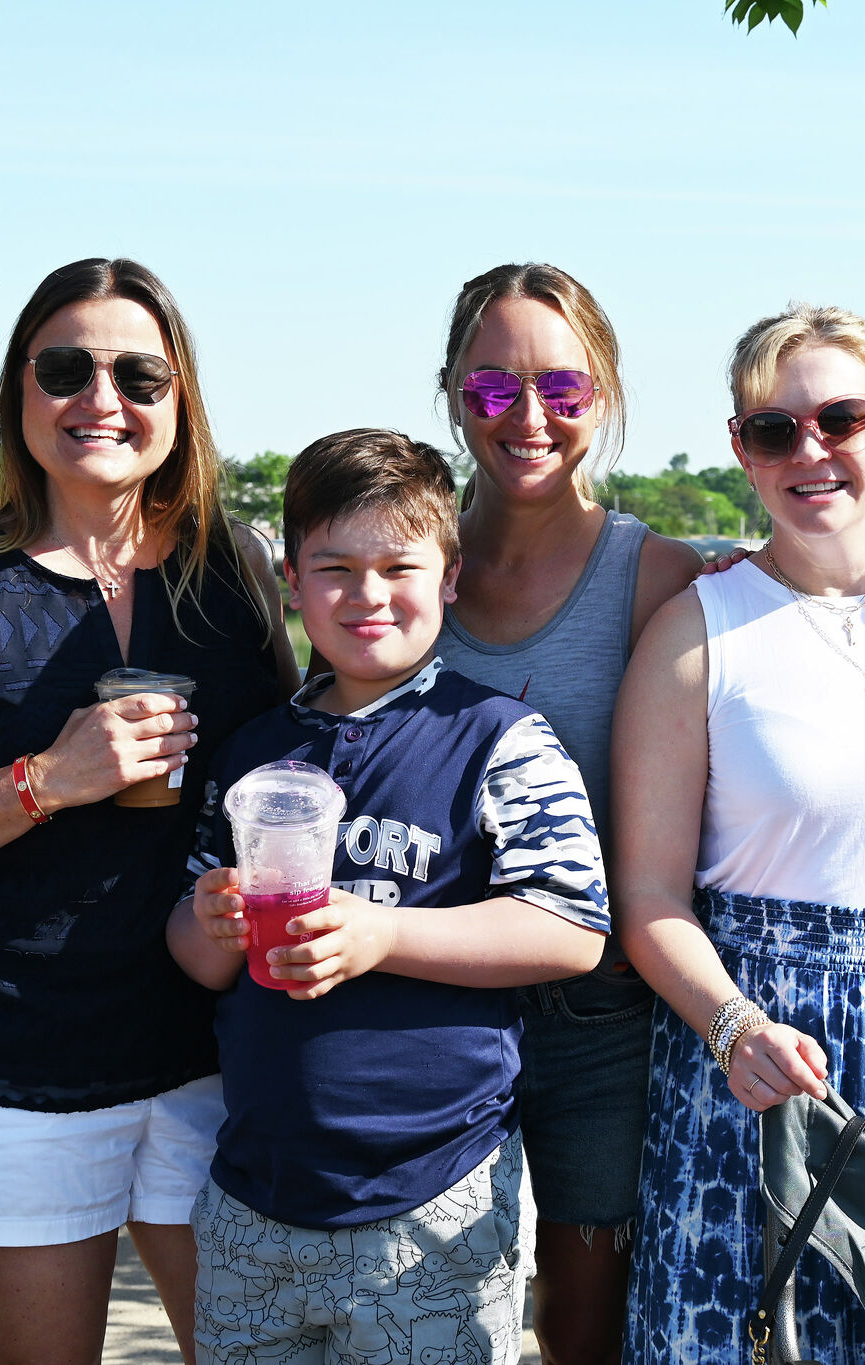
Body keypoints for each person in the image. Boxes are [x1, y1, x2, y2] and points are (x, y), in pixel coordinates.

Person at [0, 257, 297, 1365]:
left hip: (208, 1061)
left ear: (179, 406)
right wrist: (49, 779)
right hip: (15, 1068)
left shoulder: (230, 568)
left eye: (140, 375)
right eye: (64, 369)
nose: (102, 399)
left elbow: (290, 759)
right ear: (17, 398)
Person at [615, 304, 865, 1364]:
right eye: (771, 430)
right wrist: (730, 1026)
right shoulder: (693, 633)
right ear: (740, 455)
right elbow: (649, 897)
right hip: (761, 1052)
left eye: (839, 419)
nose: (809, 451)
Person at [168, 427, 613, 1365]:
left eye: (397, 566)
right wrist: (207, 918)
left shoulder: (499, 737)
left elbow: (571, 928)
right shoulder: (253, 751)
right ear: (291, 581)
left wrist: (380, 933)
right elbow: (198, 957)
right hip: (256, 1193)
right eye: (333, 567)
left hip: (434, 1195)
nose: (366, 594)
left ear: (449, 577)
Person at [430, 263, 702, 1365]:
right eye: (492, 390)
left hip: (603, 1014)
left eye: (562, 391)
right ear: (452, 394)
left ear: (604, 394)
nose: (526, 419)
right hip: (433, 998)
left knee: (585, 1326)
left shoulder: (655, 577)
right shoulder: (407, 565)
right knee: (439, 1311)